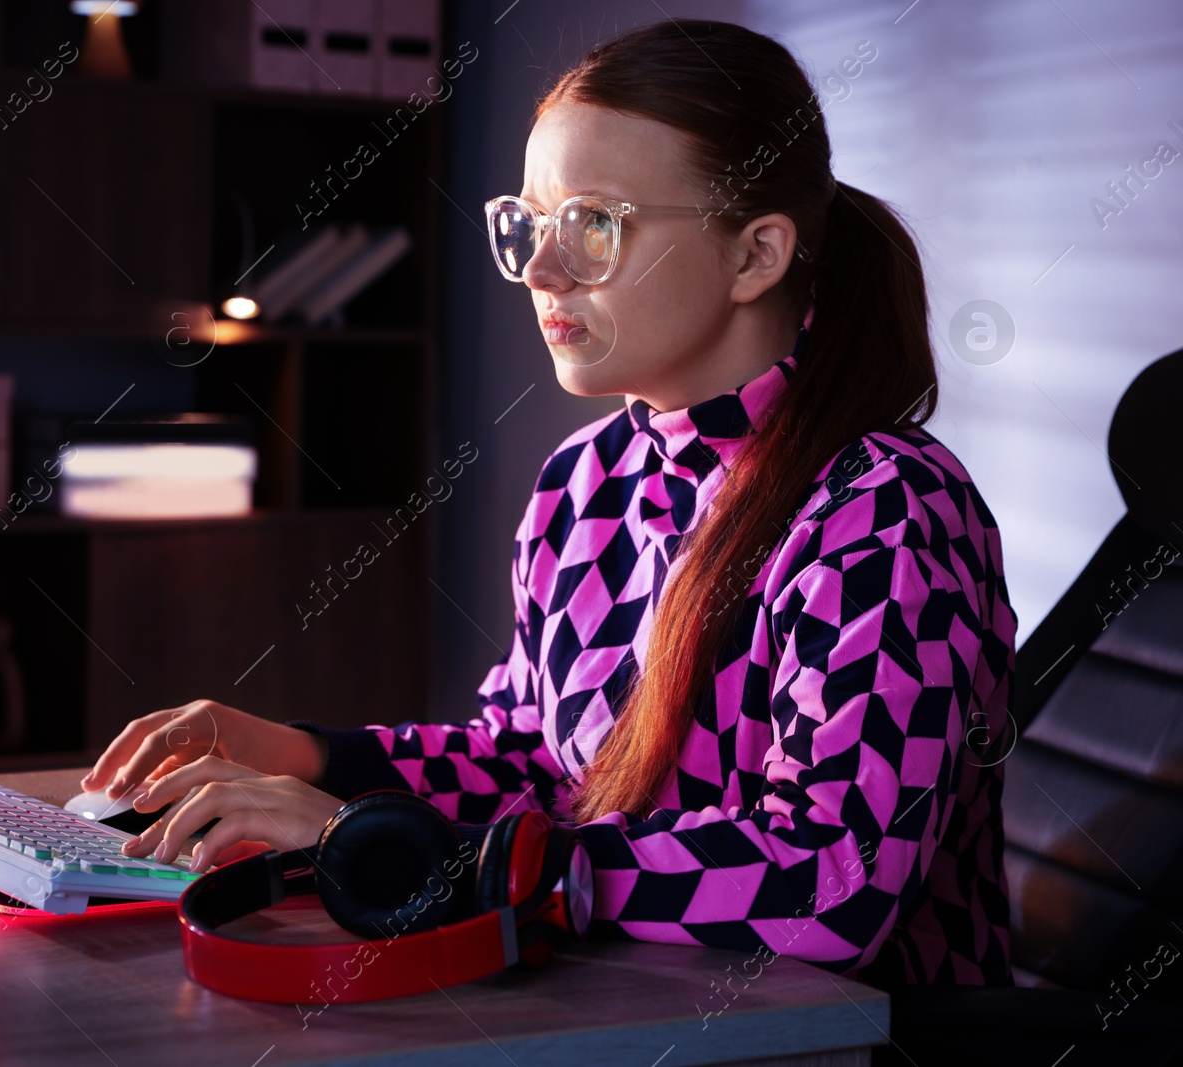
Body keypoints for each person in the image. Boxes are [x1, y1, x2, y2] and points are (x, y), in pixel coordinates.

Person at [81, 18, 1016, 991]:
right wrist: (314, 753)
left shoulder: (886, 512)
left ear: (755, 257)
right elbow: (533, 761)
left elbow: (831, 883)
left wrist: (401, 845)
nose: (540, 270)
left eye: (594, 226)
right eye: (529, 223)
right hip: (621, 1006)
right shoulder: (585, 479)